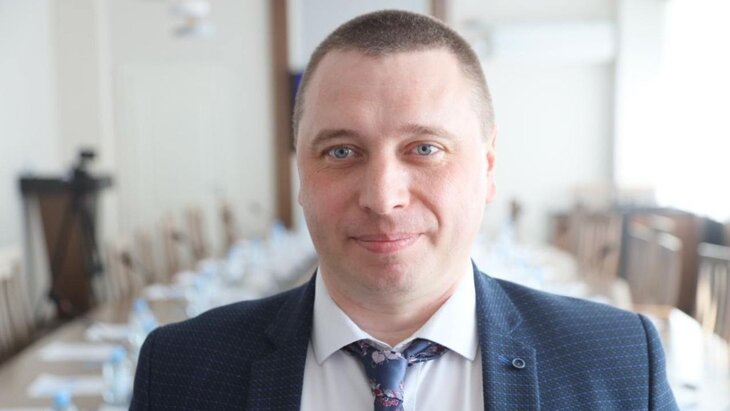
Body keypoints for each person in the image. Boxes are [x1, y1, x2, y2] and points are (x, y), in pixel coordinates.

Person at [130, 10, 678, 410]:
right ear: (301, 172)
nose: (383, 197)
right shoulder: (180, 369)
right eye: (341, 152)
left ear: (488, 167)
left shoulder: (619, 364)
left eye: (425, 149)